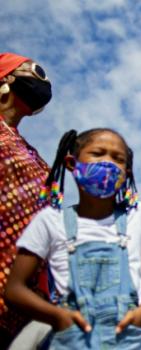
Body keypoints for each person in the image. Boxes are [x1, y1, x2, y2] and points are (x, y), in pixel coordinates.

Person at [5, 128, 141, 349]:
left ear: (128, 172)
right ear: (72, 163)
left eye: (118, 159)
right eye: (98, 153)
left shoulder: (140, 219)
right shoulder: (51, 222)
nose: (108, 163)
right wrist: (57, 316)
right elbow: (15, 288)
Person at [0, 52, 52, 348]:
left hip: (25, 303)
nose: (43, 81)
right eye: (35, 71)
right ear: (5, 78)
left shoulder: (38, 159)